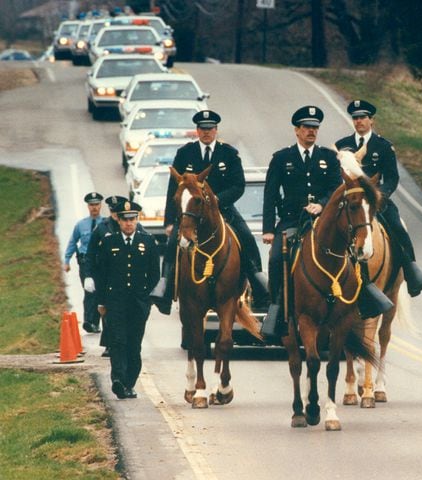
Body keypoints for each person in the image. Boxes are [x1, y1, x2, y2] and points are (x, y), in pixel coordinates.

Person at [152, 109, 269, 313]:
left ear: (216, 130)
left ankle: (258, 286)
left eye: (210, 129)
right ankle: (165, 287)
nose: (207, 132)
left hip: (222, 209)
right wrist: (170, 222)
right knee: (172, 245)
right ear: (197, 131)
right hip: (192, 212)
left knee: (247, 238)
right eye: (203, 129)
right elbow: (175, 190)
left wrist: (217, 199)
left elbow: (238, 185)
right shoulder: (185, 153)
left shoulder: (229, 153)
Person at [260, 105, 342, 335]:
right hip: (291, 222)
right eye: (306, 127)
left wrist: (322, 204)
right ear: (297, 130)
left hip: (322, 221)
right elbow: (271, 194)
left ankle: (357, 304)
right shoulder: (281, 158)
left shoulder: (329, 157)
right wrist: (269, 229)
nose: (311, 131)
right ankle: (276, 309)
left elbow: (337, 188)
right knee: (276, 259)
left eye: (315, 128)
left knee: (351, 254)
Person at [335, 99, 422, 298]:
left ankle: (411, 272)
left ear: (371, 120)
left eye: (363, 118)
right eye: (355, 118)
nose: (359, 121)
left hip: (377, 200)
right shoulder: (343, 145)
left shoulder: (384, 146)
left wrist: (380, 196)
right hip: (351, 201)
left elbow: (392, 177)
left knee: (398, 228)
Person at [94, 200, 160, 399]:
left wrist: (148, 302)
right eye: (125, 220)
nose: (129, 223)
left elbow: (154, 276)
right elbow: (101, 275)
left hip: (138, 304)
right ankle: (118, 380)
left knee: (134, 344)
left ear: (137, 220)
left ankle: (129, 382)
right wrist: (101, 302)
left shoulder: (147, 242)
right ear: (119, 220)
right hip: (116, 302)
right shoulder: (108, 242)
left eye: (132, 219)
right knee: (118, 342)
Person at [64, 192, 104, 333]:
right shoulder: (81, 225)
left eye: (96, 205)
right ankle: (88, 321)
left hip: (101, 263)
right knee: (89, 291)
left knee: (100, 292)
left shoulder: (105, 224)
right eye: (91, 205)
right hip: (86, 262)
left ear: (101, 205)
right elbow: (72, 242)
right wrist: (67, 260)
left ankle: (96, 322)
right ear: (88, 206)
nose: (94, 208)